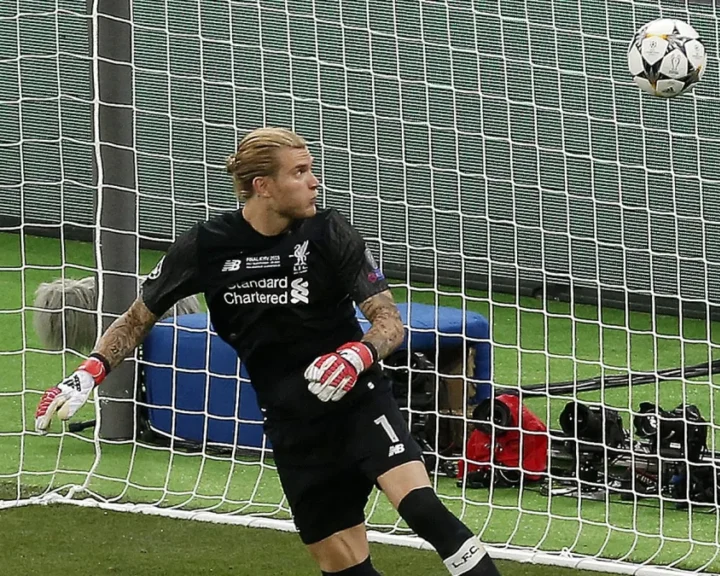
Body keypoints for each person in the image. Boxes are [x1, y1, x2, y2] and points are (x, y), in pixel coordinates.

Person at [34, 127, 502, 576]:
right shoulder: (207, 246)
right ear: (263, 186)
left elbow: (388, 323)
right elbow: (137, 319)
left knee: (422, 508)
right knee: (341, 560)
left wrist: (355, 356)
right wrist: (88, 373)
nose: (314, 181)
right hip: (291, 422)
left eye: (310, 169)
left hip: (358, 403)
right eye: (299, 172)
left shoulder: (330, 233)